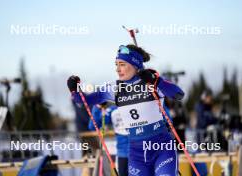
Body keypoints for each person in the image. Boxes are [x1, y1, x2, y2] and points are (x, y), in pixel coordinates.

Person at [67, 44, 184, 176]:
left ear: (135, 65)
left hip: (161, 148)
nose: (118, 69)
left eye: (122, 64)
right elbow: (84, 101)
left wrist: (158, 82)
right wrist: (74, 90)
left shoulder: (150, 81)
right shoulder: (114, 88)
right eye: (116, 64)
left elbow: (179, 94)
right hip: (137, 153)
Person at [88, 103, 129, 176]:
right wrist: (97, 106)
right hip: (122, 153)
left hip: (140, 151)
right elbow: (93, 126)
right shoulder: (112, 110)